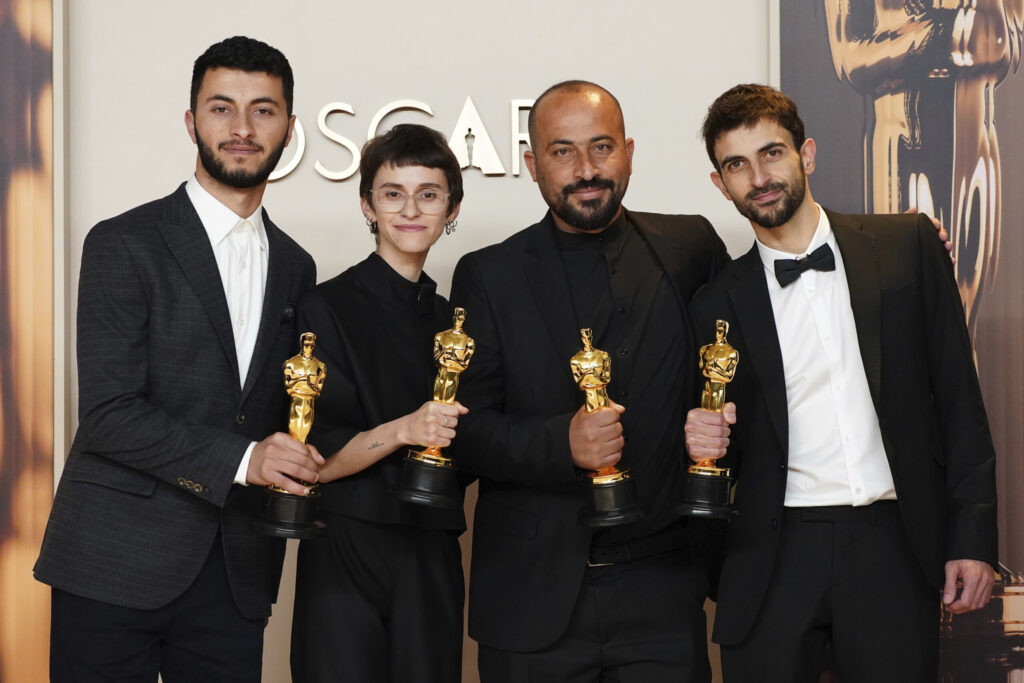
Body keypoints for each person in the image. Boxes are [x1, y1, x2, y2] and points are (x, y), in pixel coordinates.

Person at [684, 83, 998, 683]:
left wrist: (973, 538)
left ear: (807, 154)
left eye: (772, 153)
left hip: (892, 542)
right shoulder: (713, 304)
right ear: (721, 184)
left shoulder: (907, 247)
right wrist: (702, 440)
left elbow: (960, 403)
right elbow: (721, 444)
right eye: (737, 165)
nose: (759, 177)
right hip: (770, 554)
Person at [33, 36, 320, 682]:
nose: (242, 128)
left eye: (263, 110)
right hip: (112, 562)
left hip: (236, 572)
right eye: (222, 108)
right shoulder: (122, 242)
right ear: (192, 122)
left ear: (289, 128)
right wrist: (246, 460)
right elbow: (108, 414)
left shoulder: (297, 266)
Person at [450, 80, 730, 682]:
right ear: (533, 165)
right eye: (563, 151)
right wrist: (563, 443)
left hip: (666, 595)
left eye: (601, 147)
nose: (585, 170)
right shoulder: (489, 275)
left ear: (628, 152)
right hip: (532, 603)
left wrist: (903, 249)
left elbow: (761, 329)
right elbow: (463, 436)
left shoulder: (691, 247)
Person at [289, 123, 467, 683]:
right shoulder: (325, 308)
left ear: (452, 208)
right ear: (367, 204)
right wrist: (405, 429)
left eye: (428, 194)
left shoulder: (453, 320)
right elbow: (315, 462)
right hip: (346, 545)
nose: (410, 210)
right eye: (393, 193)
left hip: (432, 547)